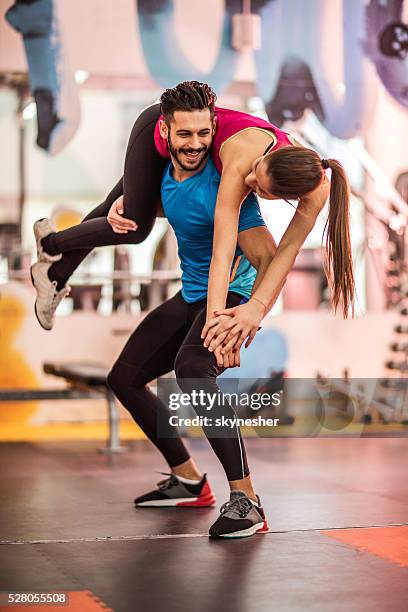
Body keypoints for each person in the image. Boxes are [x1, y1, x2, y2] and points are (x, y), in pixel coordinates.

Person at [30, 80, 354, 339]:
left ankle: (54, 268)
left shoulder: (317, 189)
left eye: (258, 188)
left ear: (283, 198)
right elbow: (222, 253)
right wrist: (213, 322)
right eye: (257, 168)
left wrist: (255, 311)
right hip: (159, 130)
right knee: (134, 224)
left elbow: (286, 252)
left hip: (187, 143)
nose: (249, 179)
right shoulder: (240, 161)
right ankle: (51, 248)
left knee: (127, 212)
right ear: (271, 156)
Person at [106, 137, 278, 539]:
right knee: (124, 378)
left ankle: (246, 500)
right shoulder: (166, 176)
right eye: (185, 134)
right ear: (165, 133)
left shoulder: (228, 185)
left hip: (232, 294)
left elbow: (268, 257)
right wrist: (124, 207)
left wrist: (250, 313)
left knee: (194, 369)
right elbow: (165, 208)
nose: (196, 143)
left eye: (204, 133)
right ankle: (188, 480)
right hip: (191, 294)